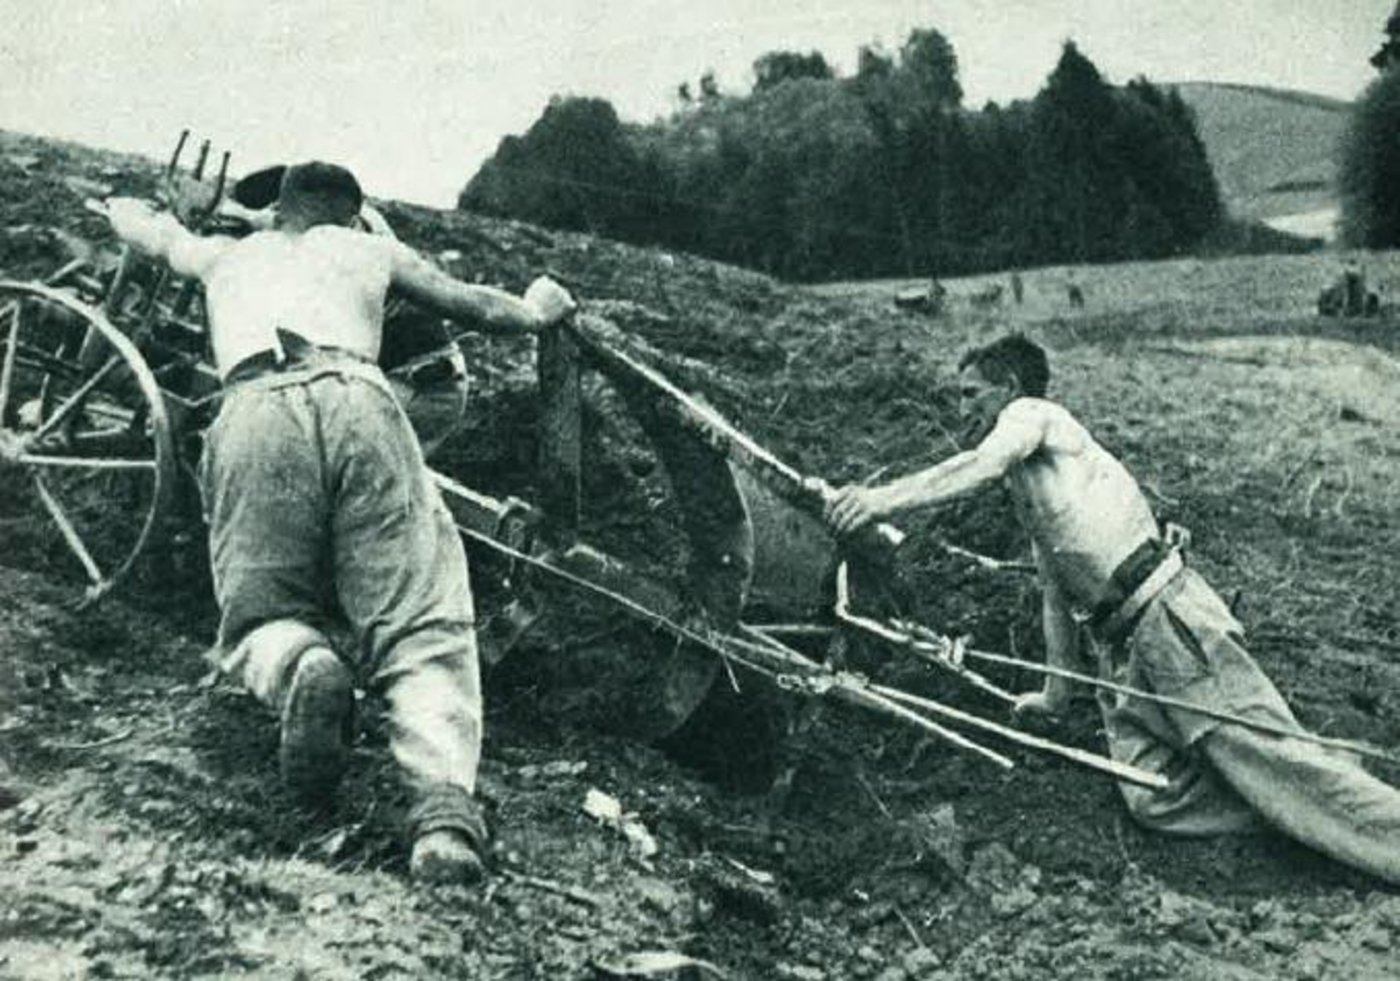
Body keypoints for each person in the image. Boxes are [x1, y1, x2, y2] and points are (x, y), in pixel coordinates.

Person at [102, 161, 577, 884]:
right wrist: (541, 304)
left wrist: (121, 205)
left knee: (259, 612)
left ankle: (301, 664)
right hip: (357, 395)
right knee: (421, 612)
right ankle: (444, 817)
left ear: (279, 212)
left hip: (252, 403)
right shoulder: (368, 248)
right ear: (353, 216)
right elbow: (478, 305)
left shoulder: (233, 253)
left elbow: (153, 233)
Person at [823, 333, 1400, 883]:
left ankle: (1349, 820)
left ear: (1011, 388)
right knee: (1154, 795)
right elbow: (1055, 593)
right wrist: (1055, 694)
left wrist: (878, 499)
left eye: (972, 394)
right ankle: (1298, 812)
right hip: (1123, 649)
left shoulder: (1034, 416)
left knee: (1263, 755)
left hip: (1169, 620)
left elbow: (979, 464)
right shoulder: (1034, 496)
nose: (962, 408)